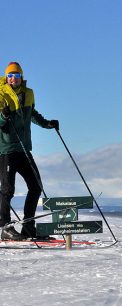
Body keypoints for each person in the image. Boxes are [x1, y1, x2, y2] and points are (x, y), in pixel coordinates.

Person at [0, 62, 59, 240]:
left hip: (24, 149)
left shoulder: (29, 93)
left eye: (16, 76)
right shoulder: (1, 94)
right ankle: (4, 227)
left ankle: (28, 227)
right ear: (6, 77)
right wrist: (3, 115)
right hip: (6, 150)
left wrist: (48, 124)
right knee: (7, 190)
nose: (13, 79)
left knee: (36, 187)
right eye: (10, 76)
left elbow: (31, 114)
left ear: (21, 77)